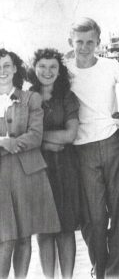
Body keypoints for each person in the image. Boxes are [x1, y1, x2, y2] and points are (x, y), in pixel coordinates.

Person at [66, 17, 119, 279]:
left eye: (90, 42)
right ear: (70, 42)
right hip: (81, 148)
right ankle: (101, 268)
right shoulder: (65, 69)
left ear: (98, 42)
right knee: (93, 216)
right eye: (79, 42)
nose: (84, 47)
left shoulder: (110, 65)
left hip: (112, 142)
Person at [0, 48, 61, 278]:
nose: (2, 71)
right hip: (1, 176)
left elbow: (36, 136)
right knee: (5, 238)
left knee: (24, 237)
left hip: (28, 174)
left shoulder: (30, 98)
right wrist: (3, 143)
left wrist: (11, 144)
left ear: (15, 68)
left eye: (6, 65)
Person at [28, 48, 81, 279]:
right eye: (42, 66)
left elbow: (70, 136)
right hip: (36, 170)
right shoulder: (25, 97)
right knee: (44, 230)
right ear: (34, 68)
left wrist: (37, 137)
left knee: (66, 229)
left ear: (59, 71)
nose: (47, 72)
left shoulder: (67, 97)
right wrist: (47, 142)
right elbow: (19, 134)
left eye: (53, 67)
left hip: (65, 169)